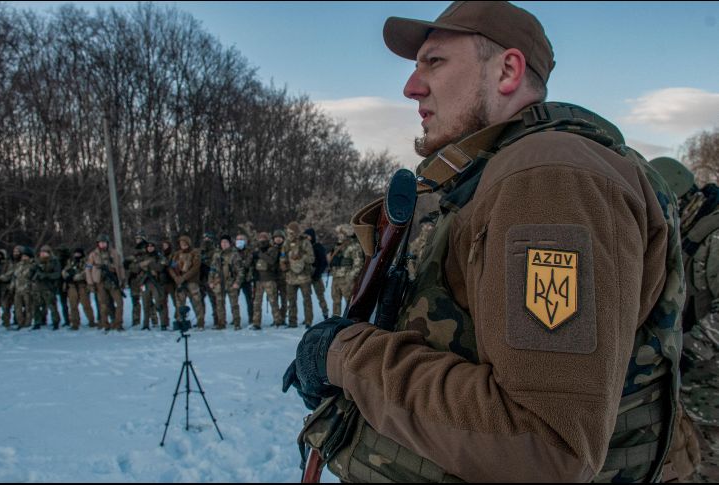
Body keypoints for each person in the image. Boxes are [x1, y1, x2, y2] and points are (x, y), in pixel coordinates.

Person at [282, 2, 683, 482]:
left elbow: (542, 445)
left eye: (435, 62)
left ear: (508, 70)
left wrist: (344, 356)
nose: (411, 87)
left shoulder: (550, 177)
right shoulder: (499, 175)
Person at [651, 156, 719, 482]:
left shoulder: (714, 238)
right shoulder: (688, 230)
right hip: (692, 395)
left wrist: (677, 354)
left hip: (711, 396)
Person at [279, 221, 315, 328]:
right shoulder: (286, 243)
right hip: (290, 277)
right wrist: (283, 264)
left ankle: (308, 321)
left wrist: (301, 257)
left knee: (307, 300)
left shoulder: (305, 242)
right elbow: (282, 256)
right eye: (288, 232)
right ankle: (292, 321)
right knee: (291, 300)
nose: (290, 234)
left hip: (304, 277)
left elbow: (311, 258)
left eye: (292, 232)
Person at [86, 234, 125, 331]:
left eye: (104, 243)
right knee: (103, 304)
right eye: (100, 243)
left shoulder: (114, 253)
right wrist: (90, 283)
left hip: (113, 281)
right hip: (100, 282)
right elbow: (88, 269)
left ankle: (118, 323)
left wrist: (122, 279)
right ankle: (105, 324)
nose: (102, 245)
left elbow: (120, 267)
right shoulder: (93, 254)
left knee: (119, 303)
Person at [168, 235, 205, 329]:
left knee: (196, 302)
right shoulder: (176, 254)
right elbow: (171, 267)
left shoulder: (195, 253)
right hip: (179, 281)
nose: (183, 244)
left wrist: (184, 277)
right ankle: (181, 321)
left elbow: (195, 267)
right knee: (179, 303)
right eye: (181, 243)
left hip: (192, 281)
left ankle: (200, 323)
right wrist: (176, 277)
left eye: (185, 243)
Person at [208, 235, 245, 330]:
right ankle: (221, 323)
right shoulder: (217, 254)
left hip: (231, 282)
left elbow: (240, 270)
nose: (224, 244)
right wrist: (211, 281)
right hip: (218, 283)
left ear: (229, 243)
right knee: (219, 304)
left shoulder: (234, 254)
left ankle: (237, 323)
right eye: (222, 242)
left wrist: (237, 282)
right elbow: (212, 269)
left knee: (234, 304)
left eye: (226, 242)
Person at [327, 224, 364, 317]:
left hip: (347, 279)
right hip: (336, 278)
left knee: (350, 302)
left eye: (341, 233)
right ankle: (335, 321)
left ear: (346, 233)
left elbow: (358, 263)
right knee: (336, 301)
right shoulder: (337, 245)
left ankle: (351, 322)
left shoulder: (354, 245)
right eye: (338, 233)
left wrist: (350, 277)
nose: (338, 235)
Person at [251, 232, 282, 329]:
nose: (262, 240)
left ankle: (278, 321)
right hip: (259, 280)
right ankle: (256, 323)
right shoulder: (257, 250)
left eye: (264, 238)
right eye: (260, 238)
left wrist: (260, 254)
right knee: (257, 303)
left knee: (273, 301)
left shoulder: (272, 249)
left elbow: (272, 261)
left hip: (269, 279)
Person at [62, 248, 96, 330]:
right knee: (73, 306)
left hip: (82, 285)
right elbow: (64, 271)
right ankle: (75, 323)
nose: (77, 255)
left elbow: (87, 271)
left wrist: (78, 276)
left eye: (78, 254)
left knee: (86, 305)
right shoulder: (71, 262)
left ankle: (91, 321)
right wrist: (67, 276)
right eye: (75, 254)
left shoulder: (86, 261)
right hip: (72, 286)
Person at [138, 240, 169, 330]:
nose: (150, 248)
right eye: (148, 247)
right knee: (145, 304)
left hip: (156, 282)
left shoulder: (159, 256)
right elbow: (136, 268)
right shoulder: (142, 257)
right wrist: (143, 265)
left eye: (152, 247)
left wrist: (150, 264)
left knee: (159, 303)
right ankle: (145, 324)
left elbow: (161, 267)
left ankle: (163, 324)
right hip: (144, 282)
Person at [31, 245, 62, 330]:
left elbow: (57, 274)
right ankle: (37, 322)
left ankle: (55, 322)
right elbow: (31, 273)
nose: (43, 254)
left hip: (49, 287)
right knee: (36, 306)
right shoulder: (37, 261)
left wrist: (46, 275)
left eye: (45, 252)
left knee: (52, 306)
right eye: (41, 252)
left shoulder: (54, 261)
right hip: (37, 287)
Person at [304, 227, 330, 319]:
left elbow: (324, 262)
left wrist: (317, 274)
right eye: (305, 236)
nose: (307, 237)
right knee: (306, 298)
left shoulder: (318, 246)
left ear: (312, 236)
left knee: (320, 296)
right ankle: (308, 318)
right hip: (306, 275)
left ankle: (325, 313)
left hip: (316, 274)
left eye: (309, 236)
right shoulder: (303, 247)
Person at [407, 215, 436, 281]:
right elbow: (409, 261)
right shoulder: (415, 242)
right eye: (427, 225)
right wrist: (412, 276)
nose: (429, 228)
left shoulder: (431, 242)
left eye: (431, 226)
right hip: (416, 277)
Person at [199, 231, 219, 327]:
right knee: (200, 300)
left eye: (208, 238)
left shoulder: (215, 251)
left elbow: (215, 264)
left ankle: (217, 319)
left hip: (211, 278)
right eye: (205, 238)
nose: (206, 240)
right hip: (201, 278)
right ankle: (201, 320)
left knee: (214, 299)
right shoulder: (200, 250)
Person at [235, 233, 255, 320]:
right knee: (234, 300)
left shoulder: (250, 251)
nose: (239, 241)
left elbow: (247, 264)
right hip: (235, 279)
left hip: (247, 279)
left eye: (241, 239)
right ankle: (235, 318)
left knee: (249, 300)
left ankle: (251, 317)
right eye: (238, 239)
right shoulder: (233, 251)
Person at [272, 229, 288, 324]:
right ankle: (276, 318)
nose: (278, 239)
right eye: (276, 237)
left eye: (280, 237)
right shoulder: (271, 249)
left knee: (284, 299)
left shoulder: (286, 248)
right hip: (273, 278)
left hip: (284, 278)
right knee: (274, 300)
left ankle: (283, 318)